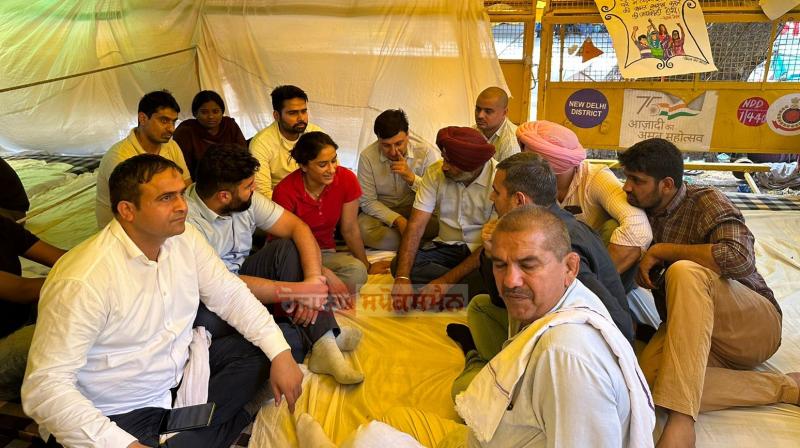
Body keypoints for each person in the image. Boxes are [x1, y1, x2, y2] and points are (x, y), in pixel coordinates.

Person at [23, 154, 303, 448]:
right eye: (166, 198)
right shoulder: (82, 279)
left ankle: (192, 430)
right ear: (127, 210)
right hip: (116, 412)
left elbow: (229, 293)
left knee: (282, 343)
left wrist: (280, 354)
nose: (183, 206)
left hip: (177, 382)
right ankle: (214, 425)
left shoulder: (184, 239)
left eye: (181, 193)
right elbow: (45, 387)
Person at [345, 207, 655, 448]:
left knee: (367, 438)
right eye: (500, 264)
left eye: (528, 264)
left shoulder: (565, 354)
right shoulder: (565, 301)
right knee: (395, 419)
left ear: (570, 267)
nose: (510, 281)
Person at [618, 138, 800, 447]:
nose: (626, 187)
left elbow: (740, 258)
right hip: (694, 336)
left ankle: (681, 421)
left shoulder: (706, 200)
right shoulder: (636, 213)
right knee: (647, 383)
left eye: (637, 180)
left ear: (666, 185)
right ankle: (784, 387)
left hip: (752, 328)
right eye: (627, 178)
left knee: (684, 270)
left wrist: (663, 250)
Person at [447, 152, 634, 399]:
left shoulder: (559, 245)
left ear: (519, 200)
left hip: (572, 355)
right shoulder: (554, 223)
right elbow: (496, 297)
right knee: (479, 307)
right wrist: (492, 253)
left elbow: (612, 323)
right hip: (551, 333)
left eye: (497, 192)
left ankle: (478, 363)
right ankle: (492, 364)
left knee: (463, 393)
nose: (491, 198)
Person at [186, 144, 364, 384]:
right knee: (210, 325)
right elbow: (223, 285)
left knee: (288, 248)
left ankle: (322, 340)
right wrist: (300, 291)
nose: (255, 188)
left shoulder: (245, 198)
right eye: (249, 186)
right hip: (212, 299)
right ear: (224, 196)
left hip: (244, 277)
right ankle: (317, 336)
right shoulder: (187, 223)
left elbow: (297, 227)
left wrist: (313, 280)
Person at [516, 120, 652, 280]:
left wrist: (595, 284)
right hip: (552, 264)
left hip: (591, 270)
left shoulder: (595, 178)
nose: (522, 165)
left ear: (548, 163)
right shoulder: (528, 185)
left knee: (612, 227)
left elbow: (638, 227)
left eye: (528, 159)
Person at [390, 127, 496, 310]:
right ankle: (462, 293)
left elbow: (492, 243)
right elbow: (416, 225)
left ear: (472, 165)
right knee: (398, 266)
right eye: (444, 158)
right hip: (446, 248)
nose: (444, 166)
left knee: (496, 274)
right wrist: (402, 277)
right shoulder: (435, 172)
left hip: (482, 253)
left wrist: (445, 282)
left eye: (451, 162)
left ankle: (446, 291)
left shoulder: (499, 180)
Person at [273, 131, 381, 297]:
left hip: (325, 253)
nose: (332, 169)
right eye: (323, 164)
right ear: (303, 166)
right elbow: (282, 246)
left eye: (333, 160)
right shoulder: (284, 191)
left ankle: (310, 296)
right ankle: (310, 295)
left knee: (357, 273)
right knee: (291, 279)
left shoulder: (346, 179)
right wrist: (323, 273)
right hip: (293, 256)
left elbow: (350, 228)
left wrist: (367, 265)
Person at [96, 90, 191, 228]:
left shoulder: (171, 145)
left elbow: (186, 183)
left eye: (173, 122)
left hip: (162, 216)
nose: (171, 129)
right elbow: (137, 207)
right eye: (164, 120)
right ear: (143, 118)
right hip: (128, 226)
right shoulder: (119, 156)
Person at [0, 216, 64, 401]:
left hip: (22, 317)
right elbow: (22, 290)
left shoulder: (2, 225)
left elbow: (62, 259)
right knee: (65, 335)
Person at [357, 109, 440, 250]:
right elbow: (367, 201)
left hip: (416, 209)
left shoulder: (425, 153)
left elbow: (436, 194)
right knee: (362, 229)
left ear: (408, 135)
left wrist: (411, 178)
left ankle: (409, 240)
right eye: (386, 145)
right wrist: (398, 220)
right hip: (384, 210)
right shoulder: (367, 157)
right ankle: (419, 244)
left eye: (399, 144)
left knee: (442, 224)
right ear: (378, 139)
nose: (394, 151)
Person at [249, 85, 324, 199]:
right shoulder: (261, 144)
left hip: (317, 197)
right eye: (292, 113)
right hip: (281, 204)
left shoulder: (316, 134)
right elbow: (263, 194)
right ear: (277, 116)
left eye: (303, 111)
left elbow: (333, 172)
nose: (301, 118)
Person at [172, 90, 247, 178]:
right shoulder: (186, 131)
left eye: (215, 112)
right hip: (199, 183)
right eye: (204, 112)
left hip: (234, 178)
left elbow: (243, 155)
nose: (211, 116)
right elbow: (183, 169)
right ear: (195, 113)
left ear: (222, 112)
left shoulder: (229, 125)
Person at [473, 87, 520, 162]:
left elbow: (506, 173)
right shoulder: (474, 130)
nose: (480, 116)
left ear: (504, 112)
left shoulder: (512, 142)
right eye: (478, 109)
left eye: (488, 111)